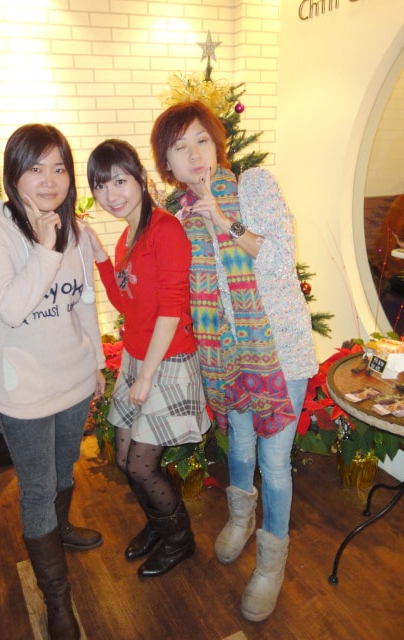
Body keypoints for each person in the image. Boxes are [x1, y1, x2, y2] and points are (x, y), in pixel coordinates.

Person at [151, 101, 318, 622]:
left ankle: (271, 562)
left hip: (279, 351)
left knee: (275, 461)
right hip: (226, 355)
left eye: (202, 140)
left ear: (217, 144)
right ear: (167, 164)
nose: (194, 155)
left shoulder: (254, 187)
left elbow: (280, 259)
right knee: (240, 445)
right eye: (180, 147)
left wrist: (223, 221)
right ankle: (241, 519)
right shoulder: (179, 219)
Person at [0, 124, 106, 640]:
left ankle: (61, 528)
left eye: (59, 168)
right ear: (14, 174)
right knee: (37, 487)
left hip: (73, 377)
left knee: (64, 465)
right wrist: (46, 247)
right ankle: (57, 597)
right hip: (22, 387)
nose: (50, 180)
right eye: (35, 168)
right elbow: (9, 306)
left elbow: (84, 301)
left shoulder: (75, 230)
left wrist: (96, 363)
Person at [83, 138, 211, 578]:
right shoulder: (127, 237)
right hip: (138, 358)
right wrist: (102, 258)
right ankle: (159, 526)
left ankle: (180, 540)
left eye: (119, 181)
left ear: (139, 177)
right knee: (124, 460)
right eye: (101, 186)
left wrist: (146, 376)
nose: (111, 194)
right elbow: (127, 303)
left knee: (141, 464)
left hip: (167, 362)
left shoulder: (166, 230)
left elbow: (172, 311)